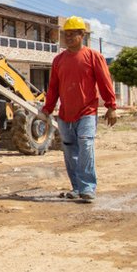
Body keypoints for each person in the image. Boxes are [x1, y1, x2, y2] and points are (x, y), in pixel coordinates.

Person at [40, 16, 117, 203]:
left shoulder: (93, 57)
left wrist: (111, 106)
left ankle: (88, 188)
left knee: (86, 145)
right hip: (65, 114)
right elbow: (53, 88)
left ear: (82, 35)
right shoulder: (58, 60)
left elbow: (105, 82)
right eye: (66, 34)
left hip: (87, 112)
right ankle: (77, 187)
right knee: (69, 151)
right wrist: (47, 109)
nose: (68, 37)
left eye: (73, 34)